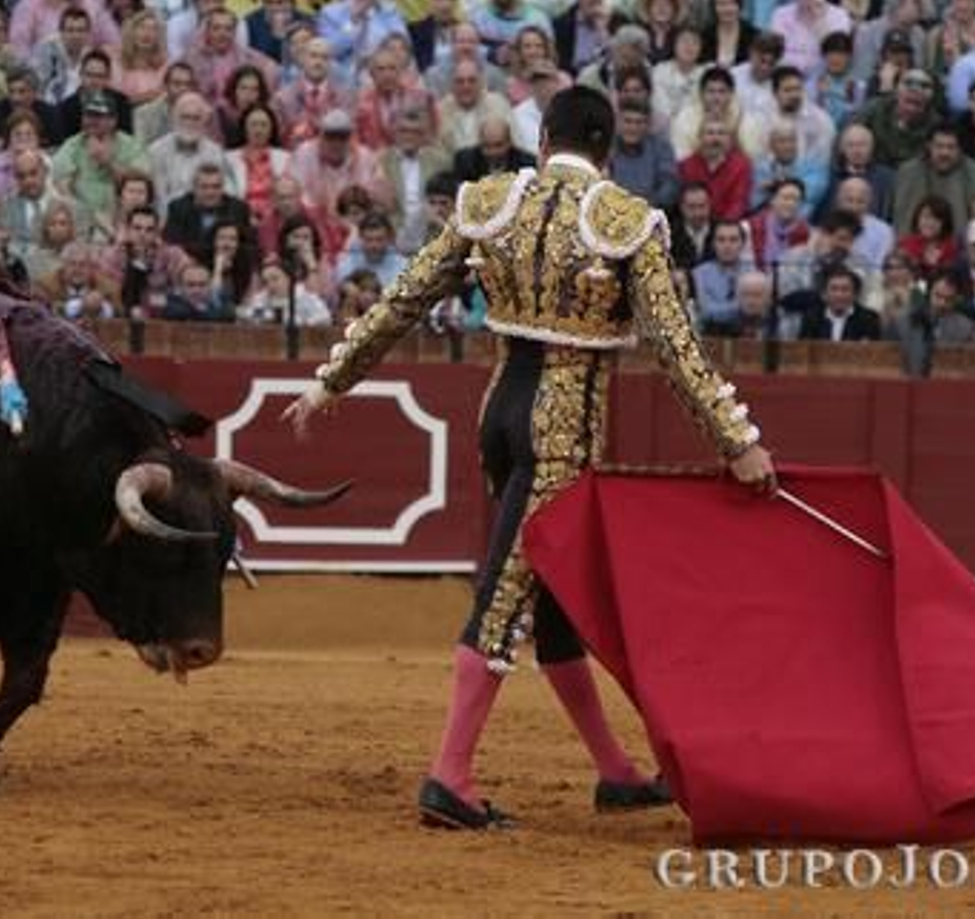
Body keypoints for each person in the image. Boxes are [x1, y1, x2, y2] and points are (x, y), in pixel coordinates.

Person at [283, 86, 775, 831]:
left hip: (501, 412)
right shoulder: (626, 221)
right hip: (560, 430)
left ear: (543, 140)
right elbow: (676, 348)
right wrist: (738, 441)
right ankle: (450, 777)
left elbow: (406, 296)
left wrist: (332, 380)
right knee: (506, 595)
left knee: (553, 599)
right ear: (607, 152)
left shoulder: (491, 201)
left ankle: (614, 771)